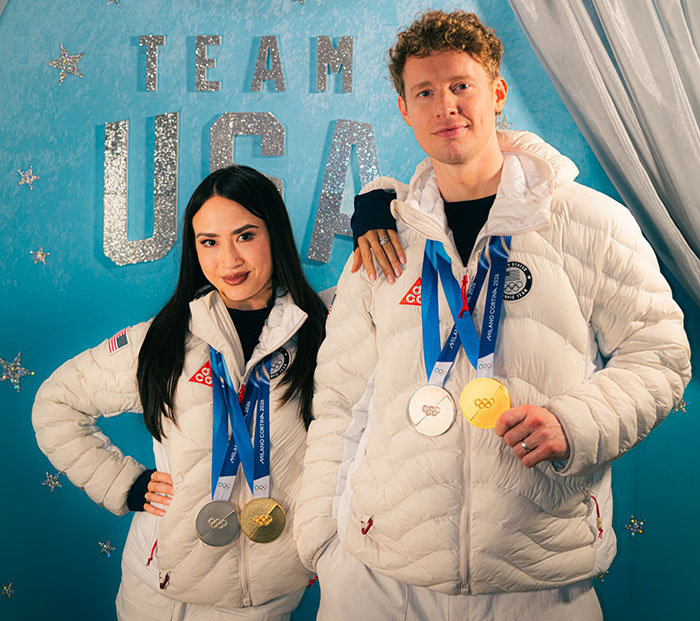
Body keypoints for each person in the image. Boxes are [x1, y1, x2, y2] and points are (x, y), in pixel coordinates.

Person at [295, 10, 691, 620]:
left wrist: (577, 423)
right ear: (405, 109)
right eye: (424, 92)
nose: (445, 105)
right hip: (380, 576)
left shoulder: (588, 221)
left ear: (496, 93)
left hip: (538, 574)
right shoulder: (386, 241)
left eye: (461, 86)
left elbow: (661, 354)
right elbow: (340, 399)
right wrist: (321, 542)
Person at [32, 165, 328, 620]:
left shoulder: (326, 331)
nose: (228, 260)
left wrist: (375, 210)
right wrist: (123, 485)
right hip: (158, 593)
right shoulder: (162, 340)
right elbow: (56, 404)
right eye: (209, 241)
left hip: (266, 596)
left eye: (245, 235)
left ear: (276, 233)